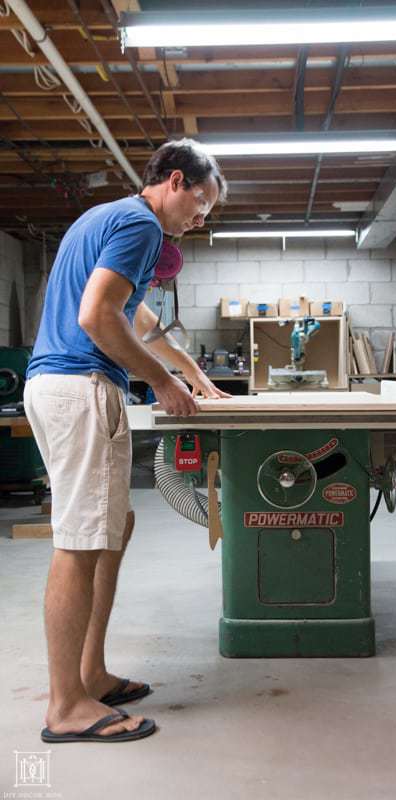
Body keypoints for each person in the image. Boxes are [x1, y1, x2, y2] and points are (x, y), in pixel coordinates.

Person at [24, 138, 229, 744]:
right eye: (200, 205)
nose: (199, 220)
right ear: (173, 181)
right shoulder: (141, 226)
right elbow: (96, 316)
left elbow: (134, 317)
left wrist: (188, 369)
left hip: (57, 384)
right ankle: (66, 706)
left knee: (113, 528)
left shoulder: (110, 218)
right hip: (81, 384)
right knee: (82, 541)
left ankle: (91, 674)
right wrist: (162, 383)